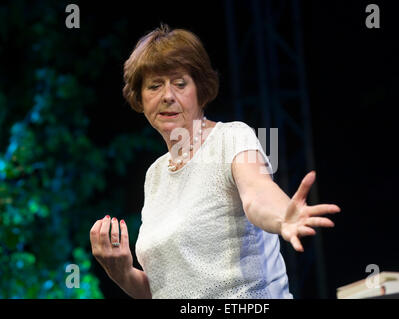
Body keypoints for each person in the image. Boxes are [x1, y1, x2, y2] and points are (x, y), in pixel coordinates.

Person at [89, 24, 341, 299]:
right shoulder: (155, 176)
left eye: (180, 83)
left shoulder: (232, 137)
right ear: (141, 98)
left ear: (200, 89)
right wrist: (122, 273)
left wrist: (283, 215)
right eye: (155, 86)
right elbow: (165, 291)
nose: (168, 96)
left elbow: (257, 194)